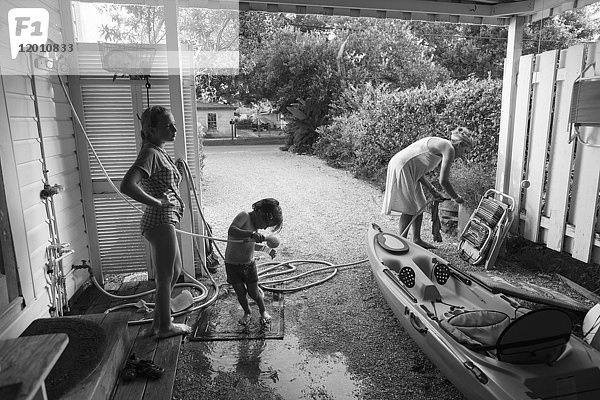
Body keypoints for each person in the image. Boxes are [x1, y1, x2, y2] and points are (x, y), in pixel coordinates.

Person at [120, 105, 192, 339]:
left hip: (166, 220)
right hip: (159, 220)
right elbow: (128, 185)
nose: (175, 128)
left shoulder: (158, 151)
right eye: (168, 125)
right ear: (151, 130)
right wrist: (157, 202)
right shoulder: (150, 152)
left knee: (175, 270)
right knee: (165, 277)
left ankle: (158, 322)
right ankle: (164, 327)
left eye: (174, 124)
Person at [381, 127, 473, 249]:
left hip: (410, 169)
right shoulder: (449, 148)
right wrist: (456, 197)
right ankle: (401, 242)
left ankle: (417, 240)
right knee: (409, 208)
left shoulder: (443, 146)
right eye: (465, 151)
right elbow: (443, 181)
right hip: (402, 166)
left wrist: (432, 191)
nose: (463, 156)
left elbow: (419, 171)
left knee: (420, 204)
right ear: (461, 145)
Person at [225, 198, 283, 326]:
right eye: (266, 224)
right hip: (232, 264)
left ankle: (263, 311)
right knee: (240, 293)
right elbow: (232, 230)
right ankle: (247, 312)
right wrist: (251, 234)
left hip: (249, 264)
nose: (264, 227)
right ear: (260, 214)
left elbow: (251, 244)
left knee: (254, 291)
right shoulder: (244, 216)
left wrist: (266, 249)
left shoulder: (255, 229)